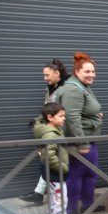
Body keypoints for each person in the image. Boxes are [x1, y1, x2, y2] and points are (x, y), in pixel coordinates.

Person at [57, 52, 104, 214]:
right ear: (77, 72)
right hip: (80, 143)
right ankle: (71, 211)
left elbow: (84, 111)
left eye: (93, 72)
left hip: (89, 139)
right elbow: (71, 117)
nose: (91, 75)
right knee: (76, 177)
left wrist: (95, 116)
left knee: (90, 175)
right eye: (87, 72)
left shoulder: (82, 87)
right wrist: (81, 142)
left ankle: (87, 205)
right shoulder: (73, 89)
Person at [20, 59, 70, 204]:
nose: (45, 78)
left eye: (47, 75)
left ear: (56, 73)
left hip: (60, 133)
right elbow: (48, 109)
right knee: (48, 161)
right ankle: (40, 193)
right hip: (52, 131)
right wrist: (37, 119)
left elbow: (68, 112)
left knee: (52, 161)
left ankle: (67, 203)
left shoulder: (64, 89)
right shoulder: (52, 88)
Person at [33, 102, 69, 214]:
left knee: (56, 199)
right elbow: (49, 156)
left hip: (54, 173)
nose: (64, 118)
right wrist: (63, 168)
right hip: (55, 173)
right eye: (61, 116)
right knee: (60, 200)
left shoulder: (55, 130)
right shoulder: (50, 134)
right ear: (50, 117)